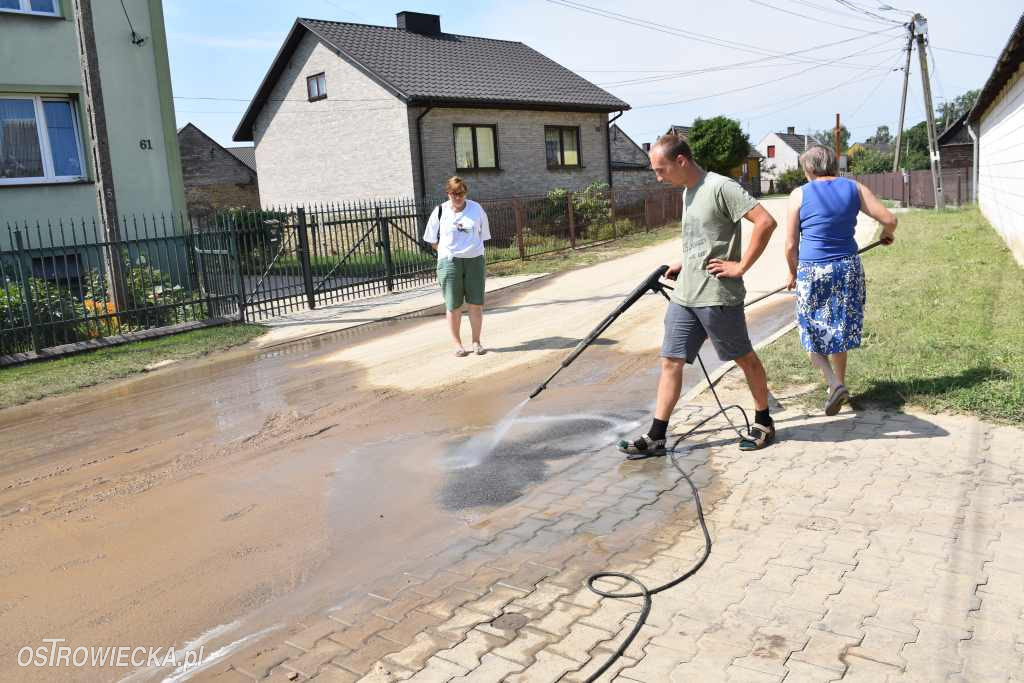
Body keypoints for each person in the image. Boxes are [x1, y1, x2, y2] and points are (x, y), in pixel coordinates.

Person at [619, 133, 779, 458]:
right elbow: (702, 237)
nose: (658, 176)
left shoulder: (721, 187)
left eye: (661, 169)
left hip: (717, 295)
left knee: (743, 358)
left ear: (681, 161)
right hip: (686, 295)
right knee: (670, 361)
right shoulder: (687, 192)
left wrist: (741, 266)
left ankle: (764, 420)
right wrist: (685, 262)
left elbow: (766, 221)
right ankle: (656, 436)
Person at [784, 145, 897, 415]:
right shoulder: (854, 188)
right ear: (833, 164)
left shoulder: (799, 194)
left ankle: (833, 383)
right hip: (847, 267)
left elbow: (790, 245)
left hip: (813, 269)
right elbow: (889, 219)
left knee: (809, 329)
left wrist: (791, 271)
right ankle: (840, 385)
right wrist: (885, 234)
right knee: (838, 329)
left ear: (808, 168)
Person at [423, 176, 491, 357]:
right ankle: (458, 344)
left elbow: (483, 235)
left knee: (475, 303)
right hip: (449, 261)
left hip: (474, 260)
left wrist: (469, 250)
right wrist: (445, 252)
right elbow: (431, 239)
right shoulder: (440, 211)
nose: (457, 197)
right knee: (453, 305)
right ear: (448, 193)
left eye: (460, 193)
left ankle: (476, 342)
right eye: (453, 193)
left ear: (465, 193)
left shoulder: (476, 209)